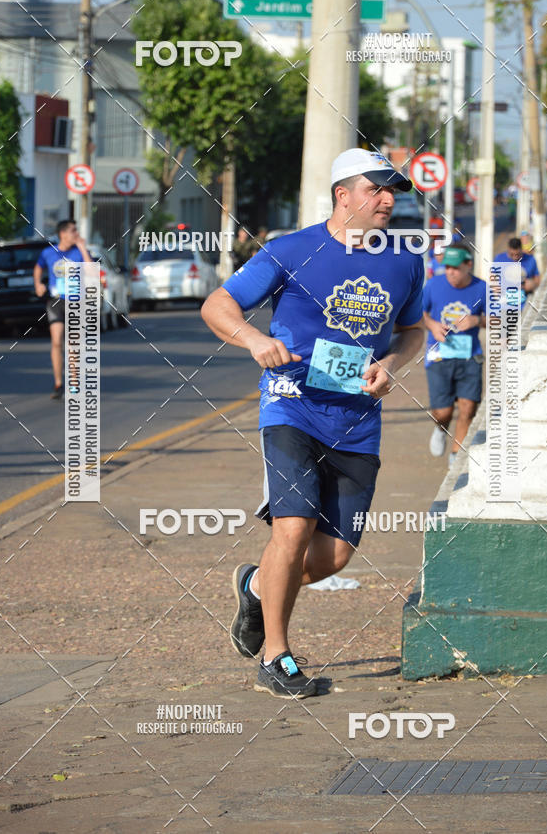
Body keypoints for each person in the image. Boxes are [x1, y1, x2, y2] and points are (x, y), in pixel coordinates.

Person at [201, 148, 424, 699]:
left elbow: (414, 330)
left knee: (333, 556)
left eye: (394, 191)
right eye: (377, 189)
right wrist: (255, 339)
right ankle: (276, 658)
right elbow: (217, 305)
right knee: (292, 528)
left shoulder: (405, 260)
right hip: (291, 403)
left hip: (356, 417)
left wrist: (390, 365)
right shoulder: (291, 250)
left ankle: (255, 586)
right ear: (342, 195)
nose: (389, 200)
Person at [423, 246, 487, 466]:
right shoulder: (433, 285)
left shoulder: (482, 288)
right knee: (443, 411)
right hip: (439, 355)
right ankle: (440, 428)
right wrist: (431, 325)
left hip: (470, 356)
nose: (450, 272)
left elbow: (498, 321)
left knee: (468, 408)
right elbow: (416, 315)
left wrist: (477, 321)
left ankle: (455, 459)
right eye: (447, 267)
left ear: (468, 265)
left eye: (455, 268)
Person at [33, 219, 93, 398]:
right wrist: (38, 284)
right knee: (57, 341)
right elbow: (38, 268)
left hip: (76, 302)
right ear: (63, 234)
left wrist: (82, 248)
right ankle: (59, 383)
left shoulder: (79, 252)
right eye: (74, 231)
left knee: (73, 346)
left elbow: (91, 271)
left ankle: (74, 383)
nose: (77, 234)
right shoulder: (48, 252)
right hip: (55, 302)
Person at [493, 236, 540, 309]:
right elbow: (493, 280)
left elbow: (537, 280)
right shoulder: (499, 259)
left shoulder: (530, 259)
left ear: (521, 249)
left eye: (517, 254)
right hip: (503, 303)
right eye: (512, 254)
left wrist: (531, 285)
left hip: (524, 303)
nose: (515, 257)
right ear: (508, 250)